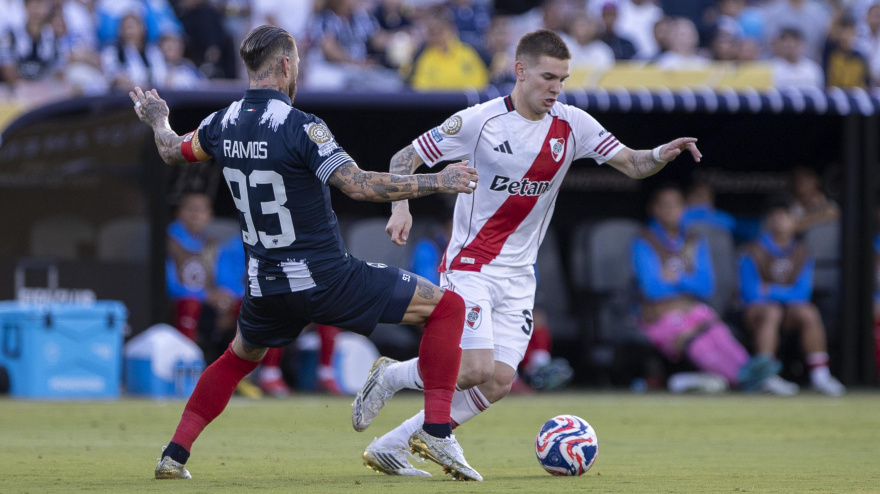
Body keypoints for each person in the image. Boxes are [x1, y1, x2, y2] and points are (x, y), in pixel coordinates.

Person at [132, 25, 482, 481]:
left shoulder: (223, 122)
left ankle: (174, 454)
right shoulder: (302, 126)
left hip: (264, 286)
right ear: (285, 66)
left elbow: (170, 149)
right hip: (324, 278)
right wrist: (440, 180)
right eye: (296, 63)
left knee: (239, 357)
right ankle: (436, 429)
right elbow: (357, 185)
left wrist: (158, 117)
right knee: (449, 308)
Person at [352, 29, 702, 478]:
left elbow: (632, 163)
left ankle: (392, 444)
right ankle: (395, 379)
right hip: (471, 264)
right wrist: (400, 206)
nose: (556, 88)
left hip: (520, 275)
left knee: (498, 381)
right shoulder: (479, 122)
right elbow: (405, 157)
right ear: (520, 72)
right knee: (475, 367)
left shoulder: (574, 125)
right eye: (548, 77)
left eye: (563, 79)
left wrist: (659, 153)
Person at [633, 184, 788, 394]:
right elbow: (652, 289)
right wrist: (686, 286)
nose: (670, 211)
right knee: (696, 338)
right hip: (659, 318)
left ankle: (753, 371)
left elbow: (706, 286)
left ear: (684, 209)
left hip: (692, 309)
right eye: (665, 206)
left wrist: (675, 278)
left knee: (717, 330)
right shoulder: (644, 241)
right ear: (654, 209)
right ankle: (743, 379)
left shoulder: (694, 240)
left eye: (676, 205)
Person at [740, 197, 845, 396]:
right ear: (769, 221)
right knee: (772, 312)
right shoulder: (752, 250)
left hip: (788, 312)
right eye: (776, 216)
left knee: (808, 312)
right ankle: (766, 376)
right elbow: (751, 293)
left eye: (786, 216)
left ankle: (820, 375)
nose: (780, 221)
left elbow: (802, 293)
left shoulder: (802, 251)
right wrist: (780, 295)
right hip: (757, 314)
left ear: (795, 221)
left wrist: (770, 290)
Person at [789, 167, 839, 234]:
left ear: (816, 181)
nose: (803, 184)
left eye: (807, 179)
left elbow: (834, 213)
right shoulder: (794, 206)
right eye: (799, 180)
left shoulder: (829, 203)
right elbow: (792, 226)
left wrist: (821, 205)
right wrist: (822, 216)